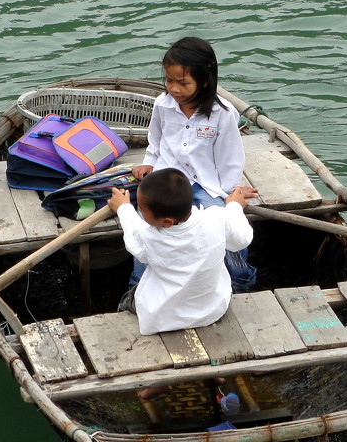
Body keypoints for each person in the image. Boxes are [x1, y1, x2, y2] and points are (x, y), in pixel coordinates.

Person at [130, 36, 257, 290]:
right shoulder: (162, 106)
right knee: (149, 226)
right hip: (169, 181)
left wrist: (229, 195)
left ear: (205, 81)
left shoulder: (223, 114)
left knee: (226, 225)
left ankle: (239, 279)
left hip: (207, 185)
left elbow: (230, 157)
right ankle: (138, 284)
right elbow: (155, 140)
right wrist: (149, 163)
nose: (174, 88)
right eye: (169, 80)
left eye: (183, 82)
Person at [109, 169, 257, 335]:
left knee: (131, 296)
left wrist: (123, 208)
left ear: (167, 222)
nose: (139, 211)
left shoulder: (151, 237)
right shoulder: (217, 217)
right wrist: (235, 205)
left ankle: (122, 311)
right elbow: (241, 239)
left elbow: (134, 234)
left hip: (162, 318)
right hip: (211, 310)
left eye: (141, 209)